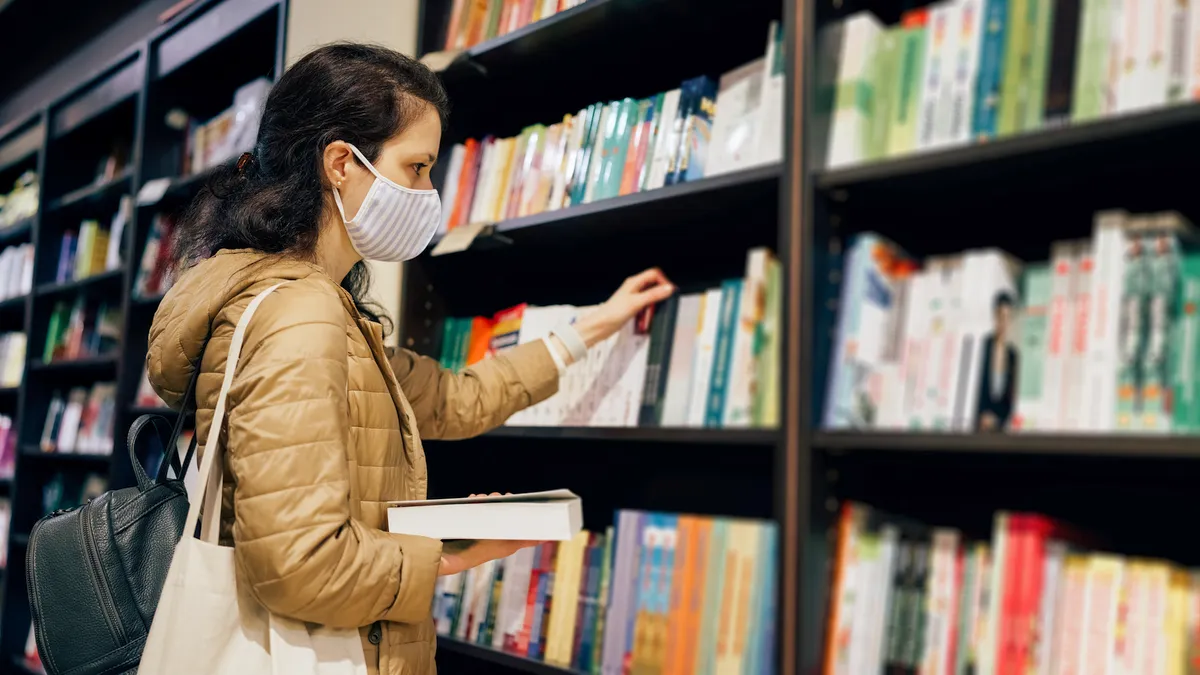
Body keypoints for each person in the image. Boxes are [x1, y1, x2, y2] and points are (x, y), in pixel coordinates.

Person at [145, 43, 673, 675]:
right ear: (341, 163)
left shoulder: (319, 310)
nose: (428, 192)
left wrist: (591, 328)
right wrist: (452, 553)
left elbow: (454, 398)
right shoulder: (300, 316)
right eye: (418, 167)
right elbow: (299, 565)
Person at [975, 291, 1019, 431]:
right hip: (976, 426)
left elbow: (1010, 399)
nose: (1003, 323)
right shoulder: (982, 347)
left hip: (1000, 430)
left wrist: (999, 420)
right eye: (1000, 316)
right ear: (994, 316)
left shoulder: (1013, 356)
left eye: (1008, 317)